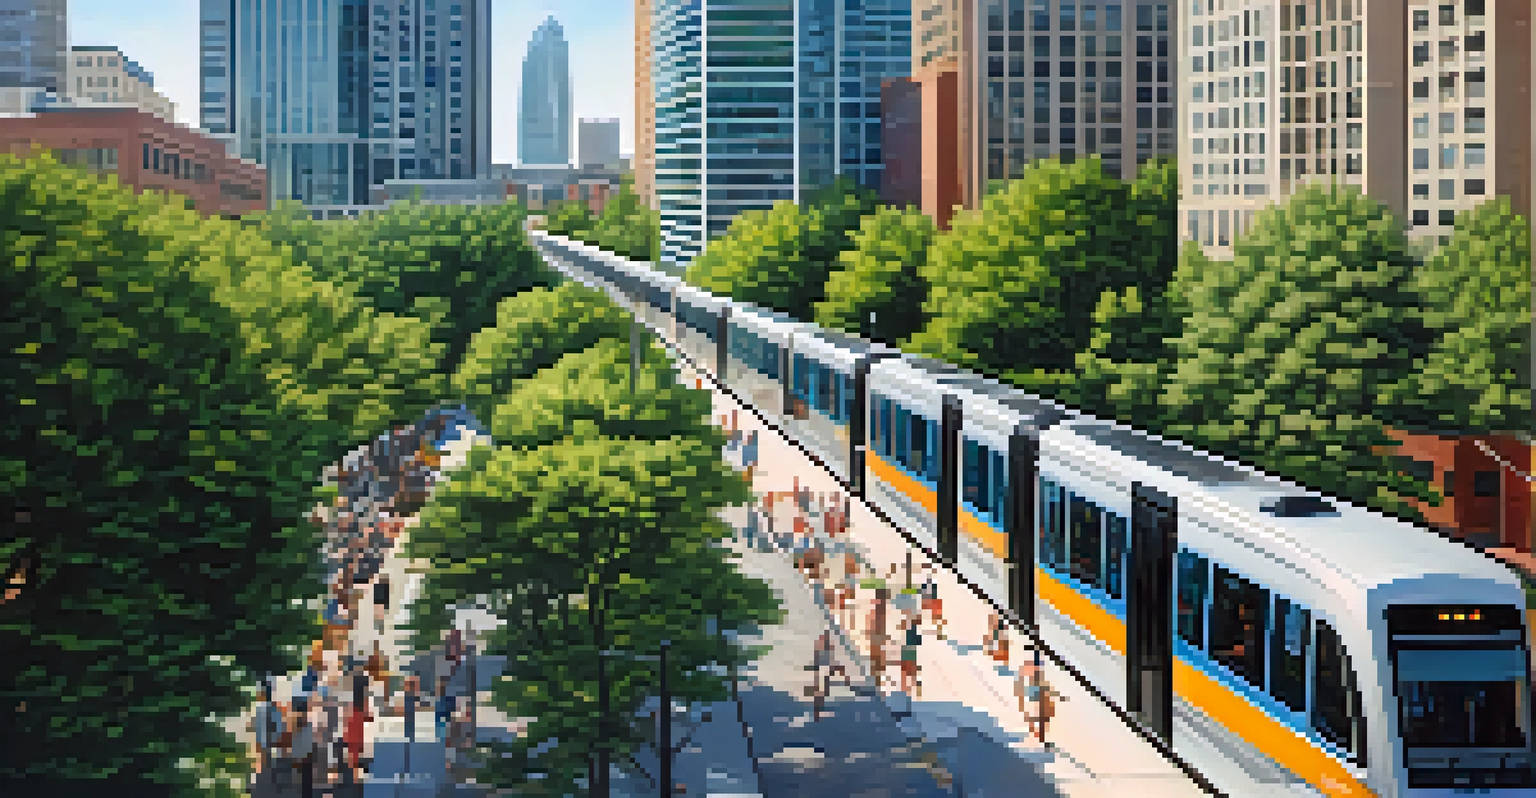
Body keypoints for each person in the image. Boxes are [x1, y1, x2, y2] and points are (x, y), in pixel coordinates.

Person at [252, 680, 281, 776]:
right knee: (272, 761)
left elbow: (259, 728)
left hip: (264, 741)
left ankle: (265, 775)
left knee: (265, 762)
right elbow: (278, 725)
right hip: (272, 740)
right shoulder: (274, 708)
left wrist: (258, 742)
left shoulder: (260, 709)